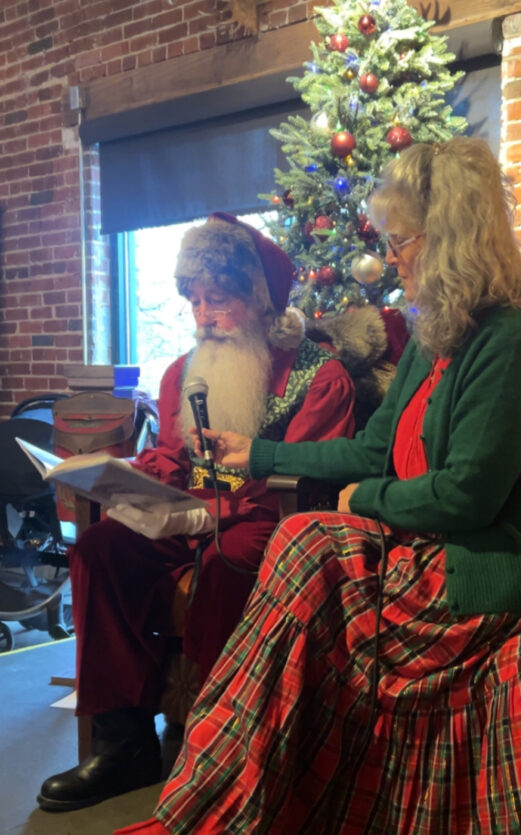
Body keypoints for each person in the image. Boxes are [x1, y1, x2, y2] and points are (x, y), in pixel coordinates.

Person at [116, 138, 521, 835]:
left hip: (508, 561)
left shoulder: (511, 343)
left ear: (452, 238)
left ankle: (244, 791)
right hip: (438, 543)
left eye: (401, 239)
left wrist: (360, 501)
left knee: (311, 545)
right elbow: (374, 449)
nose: (393, 255)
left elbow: (467, 498)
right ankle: (245, 786)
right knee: (307, 546)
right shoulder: (439, 336)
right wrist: (257, 454)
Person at [37, 213, 356, 813]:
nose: (204, 317)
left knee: (230, 559)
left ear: (260, 301)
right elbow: (168, 459)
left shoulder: (320, 376)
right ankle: (124, 744)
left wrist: (231, 501)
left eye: (219, 300)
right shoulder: (182, 372)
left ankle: (218, 743)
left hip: (266, 520)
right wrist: (125, 477)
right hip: (185, 517)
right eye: (194, 301)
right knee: (101, 549)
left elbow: (319, 468)